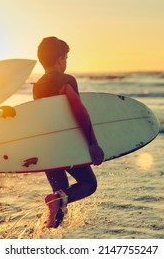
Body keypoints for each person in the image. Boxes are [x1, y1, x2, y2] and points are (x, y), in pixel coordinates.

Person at [33, 37, 105, 228]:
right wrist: (93, 143)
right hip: (65, 146)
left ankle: (46, 240)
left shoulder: (37, 86)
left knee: (60, 204)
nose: (66, 62)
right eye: (66, 58)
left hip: (48, 149)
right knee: (89, 184)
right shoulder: (66, 80)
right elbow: (79, 111)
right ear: (60, 59)